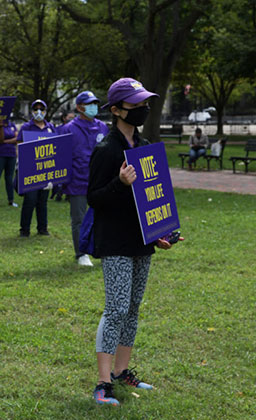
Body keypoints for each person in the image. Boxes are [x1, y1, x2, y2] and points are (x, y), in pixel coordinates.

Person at [87, 77, 176, 406]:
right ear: (116, 110)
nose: (142, 109)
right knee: (116, 310)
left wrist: (162, 232)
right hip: (115, 243)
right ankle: (102, 383)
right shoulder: (105, 149)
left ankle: (122, 372)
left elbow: (153, 198)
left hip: (142, 242)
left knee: (133, 309)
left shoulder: (145, 145)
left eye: (144, 104)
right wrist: (120, 183)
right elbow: (93, 198)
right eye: (136, 105)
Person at [58, 91, 109, 267]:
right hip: (77, 181)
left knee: (102, 217)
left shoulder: (103, 127)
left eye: (95, 103)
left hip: (100, 181)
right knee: (79, 218)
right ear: (79, 107)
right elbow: (60, 156)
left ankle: (101, 249)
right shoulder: (68, 129)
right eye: (89, 104)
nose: (93, 107)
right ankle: (81, 253)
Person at [17, 99, 55, 237]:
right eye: (36, 109)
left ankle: (42, 228)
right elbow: (19, 146)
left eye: (41, 109)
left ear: (45, 111)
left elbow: (55, 146)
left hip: (45, 169)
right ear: (32, 111)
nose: (39, 112)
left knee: (42, 201)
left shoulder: (50, 127)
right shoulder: (26, 127)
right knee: (30, 200)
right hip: (30, 169)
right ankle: (24, 229)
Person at [0, 118, 18, 208]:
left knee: (9, 178)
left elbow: (17, 139)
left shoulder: (12, 124)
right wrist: (1, 127)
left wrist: (4, 142)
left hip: (11, 154)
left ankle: (11, 200)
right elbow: (0, 138)